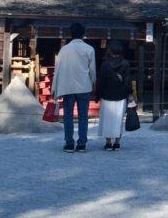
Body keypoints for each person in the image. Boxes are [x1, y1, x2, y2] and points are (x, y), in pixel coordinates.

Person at [52, 22, 96, 152]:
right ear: (83, 34)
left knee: (68, 116)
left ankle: (69, 143)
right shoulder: (89, 49)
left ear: (71, 34)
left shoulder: (64, 50)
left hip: (67, 87)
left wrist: (54, 88)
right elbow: (92, 71)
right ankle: (82, 143)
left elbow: (58, 69)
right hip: (84, 86)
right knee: (83, 116)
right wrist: (93, 83)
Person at [96, 40, 132, 150]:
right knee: (118, 120)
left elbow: (101, 81)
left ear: (110, 51)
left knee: (107, 120)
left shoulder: (105, 64)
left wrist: (98, 95)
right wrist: (129, 94)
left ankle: (108, 143)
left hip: (107, 96)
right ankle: (117, 143)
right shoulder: (125, 63)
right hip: (121, 96)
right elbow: (128, 81)